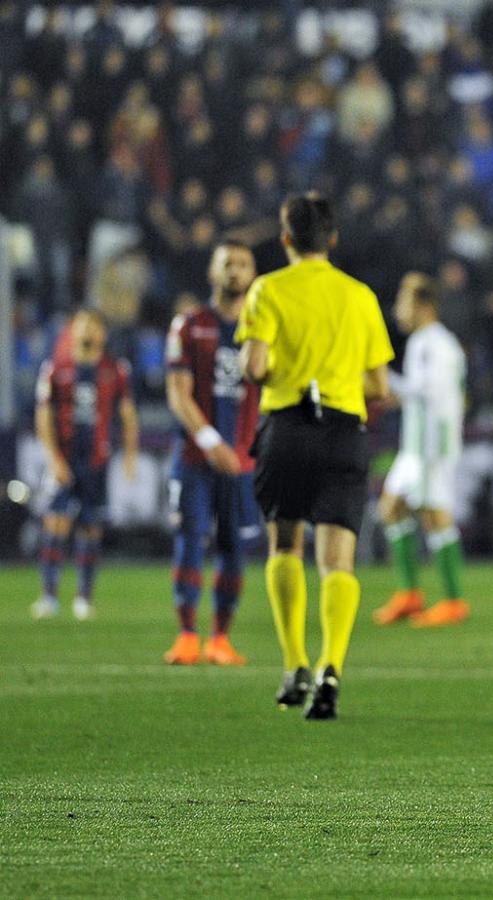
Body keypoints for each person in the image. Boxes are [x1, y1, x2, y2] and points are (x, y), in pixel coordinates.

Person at [235, 193, 394, 720]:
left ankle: (294, 662)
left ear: (285, 239)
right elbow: (378, 384)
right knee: (337, 561)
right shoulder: (360, 296)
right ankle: (332, 666)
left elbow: (255, 367)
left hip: (288, 428)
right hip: (344, 430)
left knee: (285, 546)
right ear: (333, 238)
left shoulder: (268, 290)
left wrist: (275, 366)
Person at [162, 241, 262, 665]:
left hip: (243, 462)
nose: (235, 271)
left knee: (234, 548)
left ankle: (220, 638)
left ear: (253, 276)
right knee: (189, 541)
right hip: (194, 459)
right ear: (211, 272)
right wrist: (211, 442)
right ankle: (187, 635)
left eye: (242, 264)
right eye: (227, 263)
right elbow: (178, 395)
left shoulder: (263, 332)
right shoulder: (188, 325)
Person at [372, 271, 471, 628]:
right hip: (414, 445)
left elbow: (430, 392)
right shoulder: (420, 342)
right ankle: (411, 593)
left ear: (424, 306)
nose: (399, 310)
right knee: (392, 509)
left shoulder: (438, 344)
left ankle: (454, 600)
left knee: (434, 513)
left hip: (433, 443)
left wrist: (383, 378)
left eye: (404, 302)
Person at [32, 309, 138, 621]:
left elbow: (128, 414)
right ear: (72, 331)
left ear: (103, 333)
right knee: (55, 522)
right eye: (82, 325)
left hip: (97, 460)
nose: (87, 331)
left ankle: (83, 598)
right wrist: (53, 459)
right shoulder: (55, 368)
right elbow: (43, 416)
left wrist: (130, 455)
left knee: (91, 527)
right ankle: (49, 597)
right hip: (64, 459)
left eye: (94, 325)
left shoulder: (116, 369)